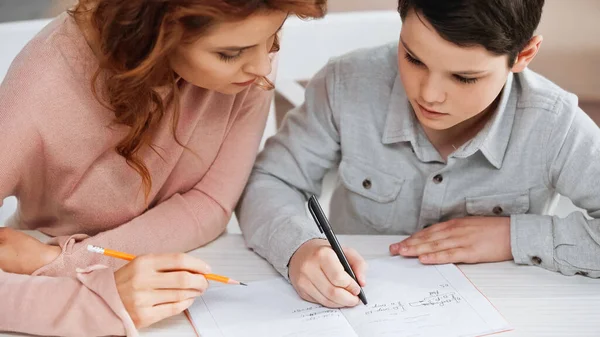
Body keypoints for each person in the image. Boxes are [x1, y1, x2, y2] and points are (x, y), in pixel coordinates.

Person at [237, 0, 600, 310]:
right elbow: (271, 181)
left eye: (464, 77)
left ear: (524, 55)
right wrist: (300, 247)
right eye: (413, 58)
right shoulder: (346, 84)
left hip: (511, 309)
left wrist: (513, 237)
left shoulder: (554, 124)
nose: (429, 94)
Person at [0, 0, 325, 335]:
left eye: (273, 37)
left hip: (169, 276)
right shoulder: (38, 87)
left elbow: (211, 203)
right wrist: (92, 302)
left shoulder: (250, 62)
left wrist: (66, 263)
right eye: (229, 54)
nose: (261, 68)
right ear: (155, 35)